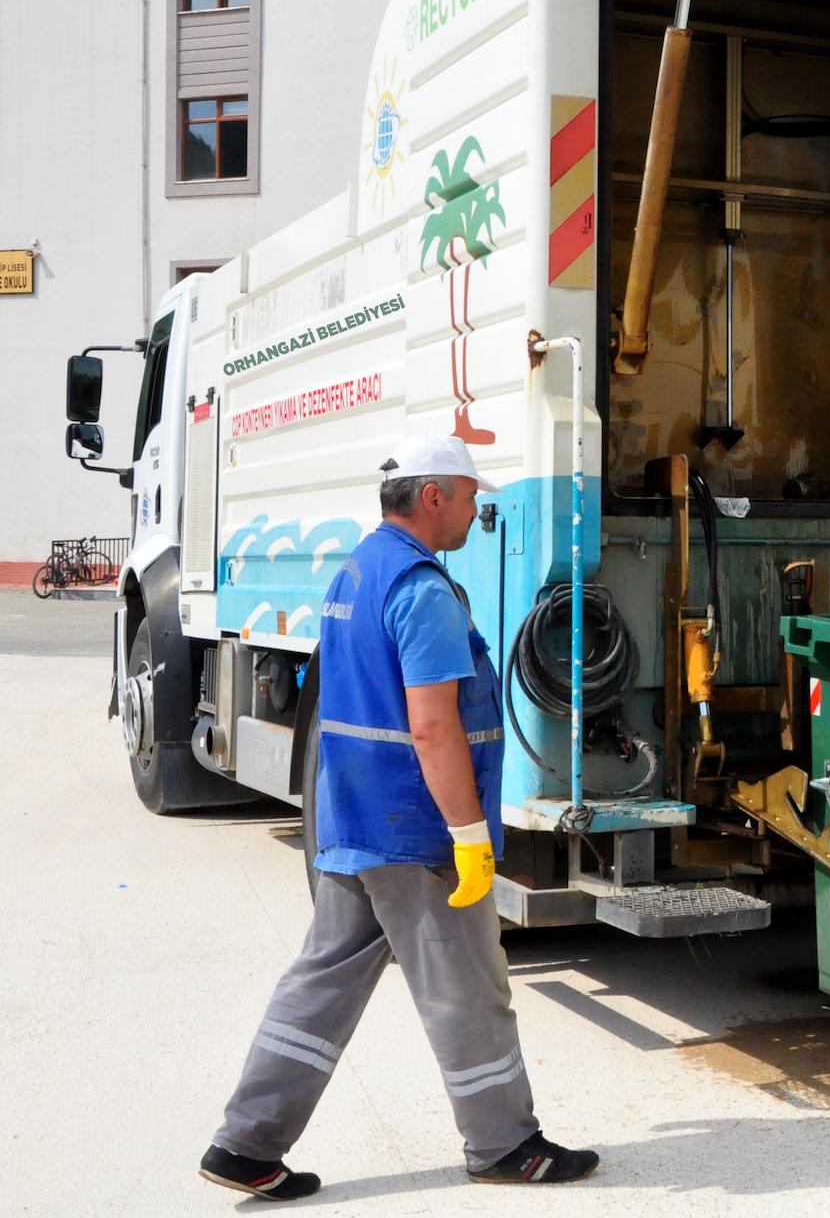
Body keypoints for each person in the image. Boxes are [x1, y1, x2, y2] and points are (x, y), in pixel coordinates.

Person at [201, 435, 598, 1201]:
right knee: (469, 986)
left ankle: (245, 1143)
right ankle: (506, 1143)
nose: (477, 510)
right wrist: (470, 834)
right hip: (416, 829)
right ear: (433, 496)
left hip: (351, 821)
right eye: (470, 495)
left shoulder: (356, 571)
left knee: (321, 984)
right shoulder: (422, 591)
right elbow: (433, 725)